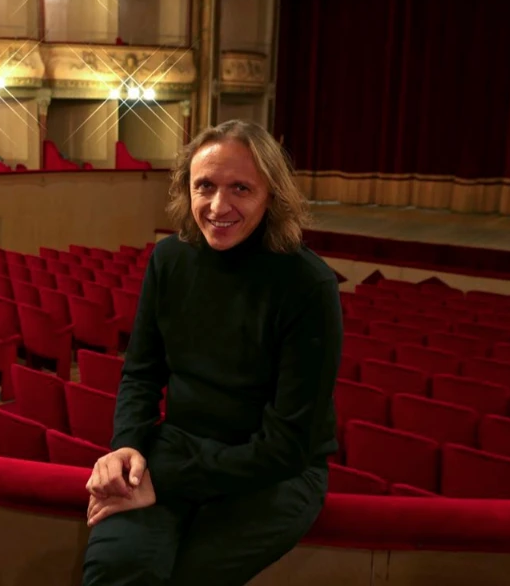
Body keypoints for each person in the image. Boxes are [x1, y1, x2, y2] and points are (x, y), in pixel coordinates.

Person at [82, 120, 342, 586]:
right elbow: (141, 373)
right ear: (188, 190)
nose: (218, 206)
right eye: (205, 186)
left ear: (271, 195)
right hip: (180, 445)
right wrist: (127, 447)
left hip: (275, 475)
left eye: (240, 188)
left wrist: (160, 476)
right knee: (115, 569)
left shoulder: (308, 285)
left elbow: (287, 446)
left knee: (189, 578)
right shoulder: (169, 259)